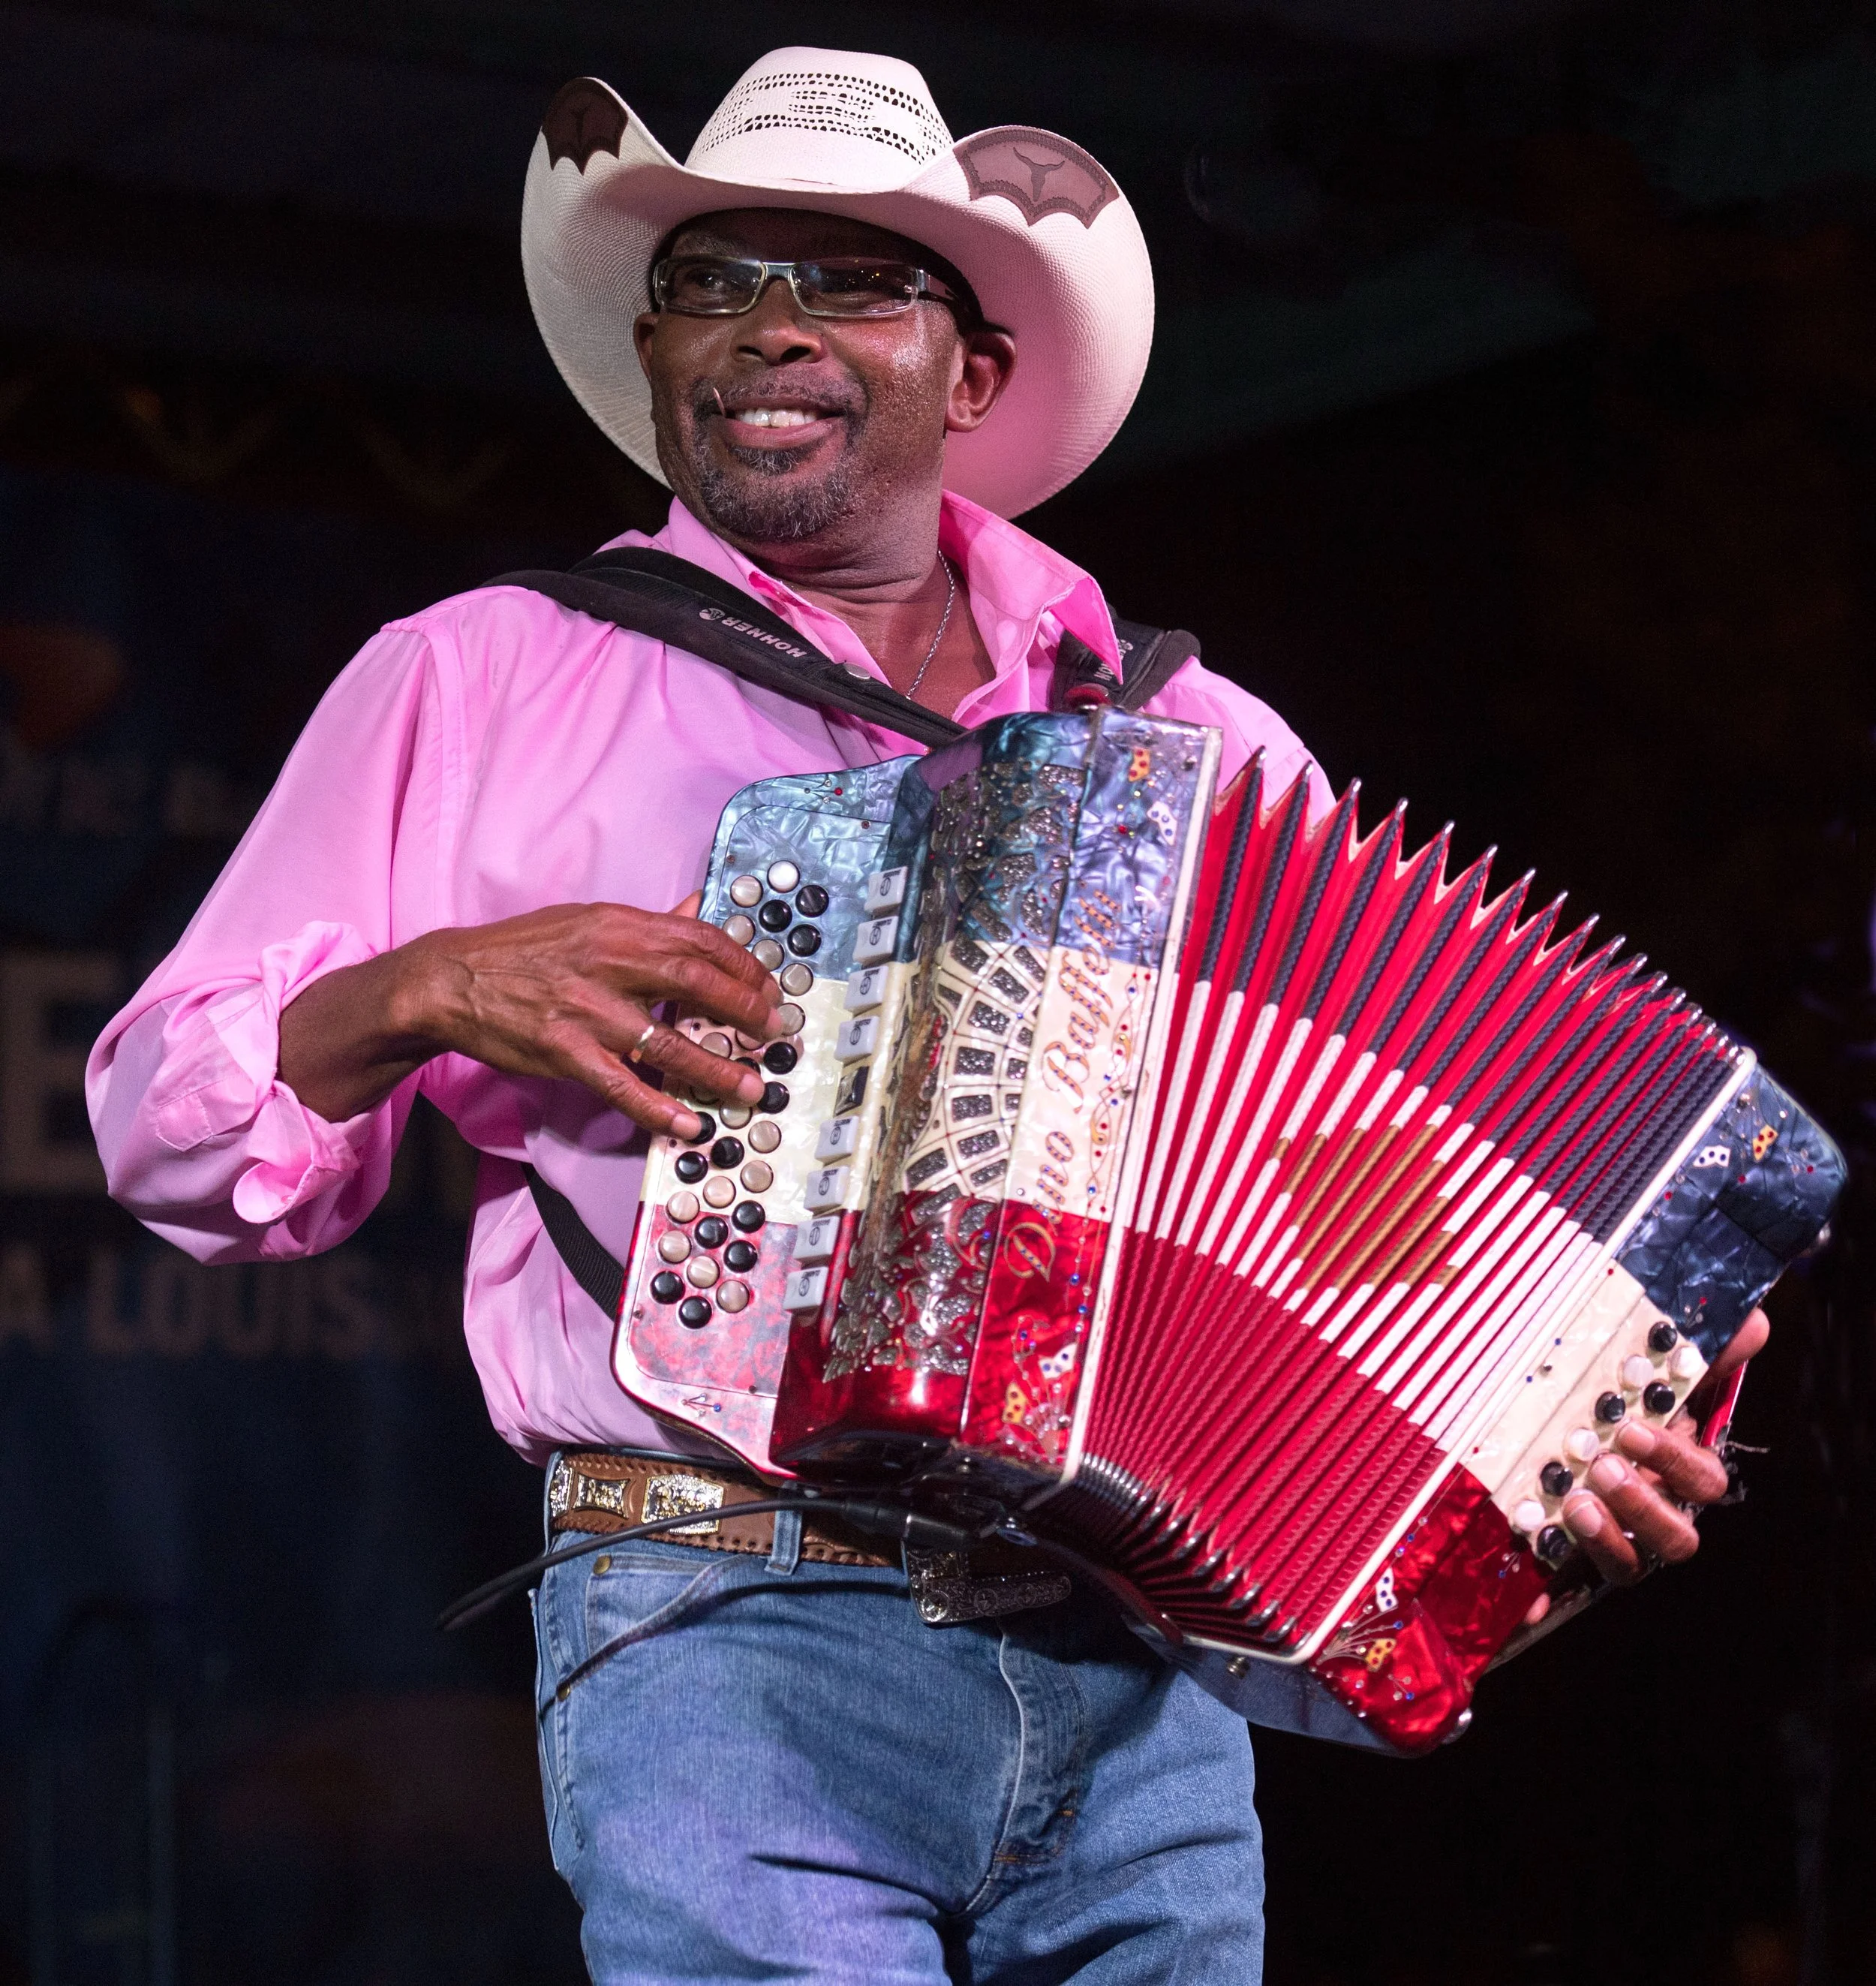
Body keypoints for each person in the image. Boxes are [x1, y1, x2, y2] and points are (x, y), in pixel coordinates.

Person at [87, 48, 1761, 1985]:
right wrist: (427, 986)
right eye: (711, 283)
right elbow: (161, 1130)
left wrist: (1570, 1411)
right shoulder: (479, 676)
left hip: (1137, 1665)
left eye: (848, 284)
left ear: (972, 376)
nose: (764, 332)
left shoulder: (1185, 736)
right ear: (655, 355)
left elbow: (1366, 1185)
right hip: (718, 1614)